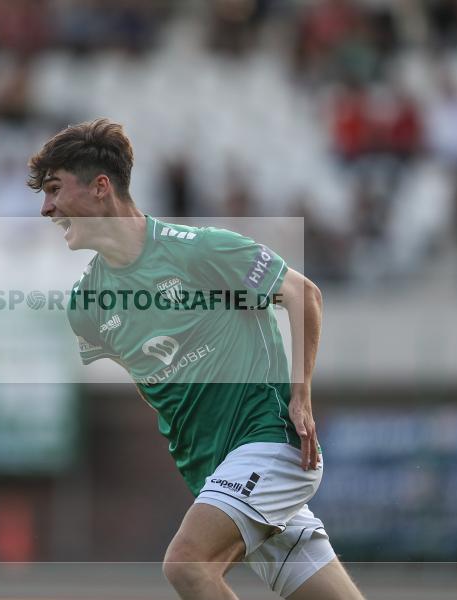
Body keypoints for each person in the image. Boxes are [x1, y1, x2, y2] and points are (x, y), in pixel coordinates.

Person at [27, 119, 365, 600]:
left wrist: (300, 395)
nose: (46, 208)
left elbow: (302, 294)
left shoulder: (199, 250)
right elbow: (164, 388)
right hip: (217, 470)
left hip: (268, 441)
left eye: (55, 190)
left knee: (186, 565)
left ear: (101, 187)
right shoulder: (87, 307)